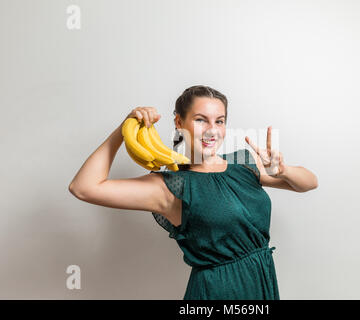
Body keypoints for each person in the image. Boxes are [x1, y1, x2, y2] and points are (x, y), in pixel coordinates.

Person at [68, 85, 318, 300]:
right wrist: (124, 129)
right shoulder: (172, 186)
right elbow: (84, 187)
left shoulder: (244, 165)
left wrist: (283, 170)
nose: (212, 130)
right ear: (179, 122)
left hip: (261, 285)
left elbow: (308, 182)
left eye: (219, 121)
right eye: (201, 120)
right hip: (217, 293)